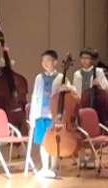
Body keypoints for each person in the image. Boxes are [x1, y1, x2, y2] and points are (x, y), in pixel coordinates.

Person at [28, 50, 76, 178]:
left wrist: (67, 88)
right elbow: (35, 96)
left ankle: (53, 166)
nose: (44, 63)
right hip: (40, 114)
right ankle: (44, 167)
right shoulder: (39, 78)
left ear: (55, 62)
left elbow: (73, 90)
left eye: (48, 60)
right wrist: (32, 116)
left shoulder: (60, 77)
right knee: (42, 141)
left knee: (53, 141)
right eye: (43, 61)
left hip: (53, 115)